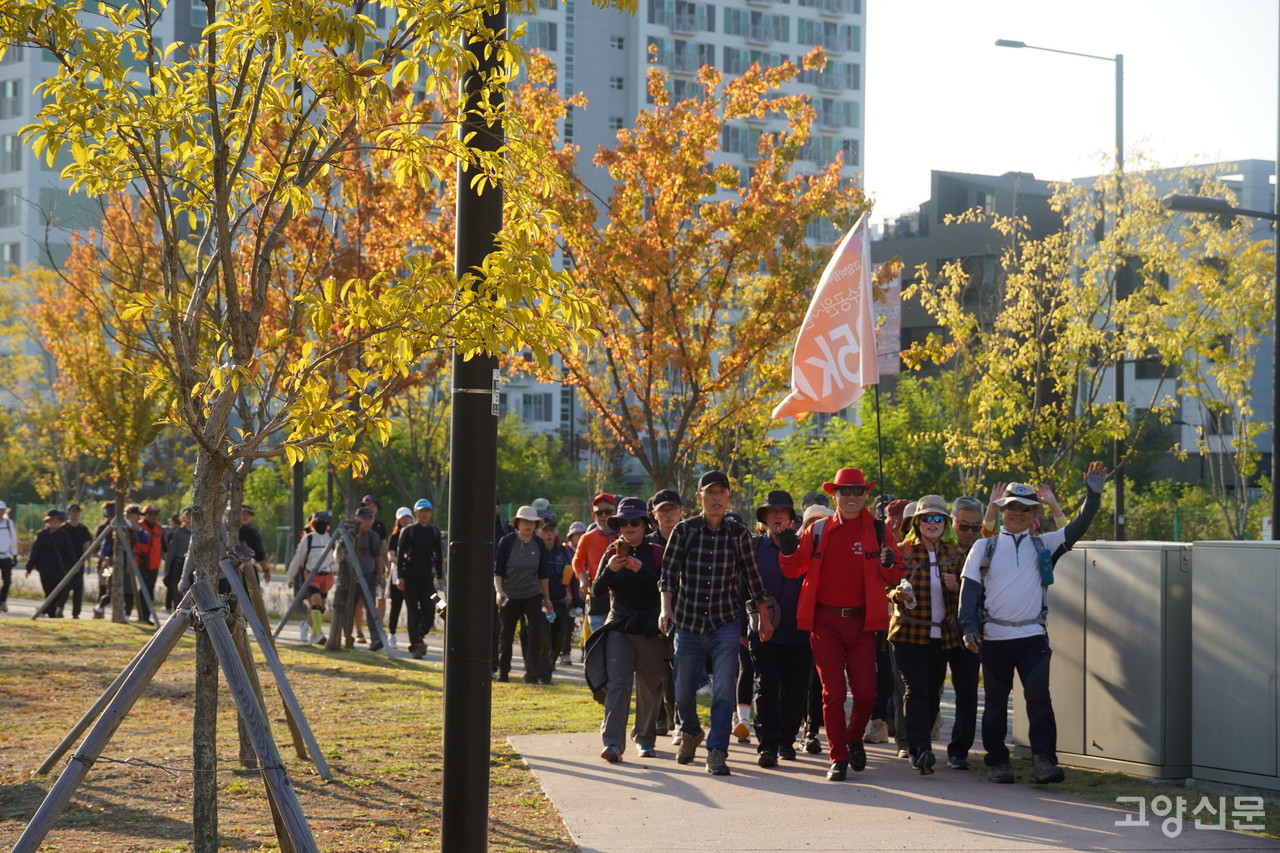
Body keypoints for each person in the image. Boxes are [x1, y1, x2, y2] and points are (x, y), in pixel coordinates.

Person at [958, 463, 1107, 785]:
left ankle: (1043, 761)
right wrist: (968, 627)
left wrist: (1092, 496)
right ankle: (997, 761)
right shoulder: (984, 546)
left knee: (1039, 699)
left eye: (1026, 508)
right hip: (994, 639)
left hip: (1032, 637)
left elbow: (1078, 527)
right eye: (1012, 506)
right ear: (1001, 510)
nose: (1018, 513)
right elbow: (969, 590)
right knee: (996, 704)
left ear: (1033, 513)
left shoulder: (1045, 544)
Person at [778, 467, 904, 782]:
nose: (851, 497)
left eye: (857, 491)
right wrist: (785, 549)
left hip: (863, 624)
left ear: (865, 495)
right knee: (832, 692)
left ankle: (852, 737)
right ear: (834, 495)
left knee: (867, 694)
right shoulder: (818, 530)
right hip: (825, 623)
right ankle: (839, 757)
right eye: (844, 491)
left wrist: (889, 564)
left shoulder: (879, 531)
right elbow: (794, 570)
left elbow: (895, 573)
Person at [659, 470, 773, 777]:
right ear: (700, 498)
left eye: (722, 493)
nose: (716, 499)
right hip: (688, 622)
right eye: (710, 493)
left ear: (728, 498)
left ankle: (717, 751)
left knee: (723, 691)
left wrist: (763, 616)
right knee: (683, 693)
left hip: (725, 623)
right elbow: (668, 574)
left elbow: (753, 579)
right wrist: (665, 609)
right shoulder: (684, 531)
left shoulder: (738, 534)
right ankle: (691, 732)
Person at [586, 497, 666, 762]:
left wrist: (642, 570)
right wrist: (609, 571)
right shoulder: (611, 553)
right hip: (618, 625)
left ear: (645, 524)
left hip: (650, 629)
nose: (629, 527)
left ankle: (645, 739)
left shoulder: (655, 553)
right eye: (623, 523)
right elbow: (596, 591)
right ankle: (612, 744)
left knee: (650, 686)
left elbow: (665, 589)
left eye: (634, 522)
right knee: (618, 684)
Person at [888, 494, 962, 776]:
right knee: (915, 689)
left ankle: (921, 744)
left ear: (946, 524)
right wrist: (897, 594)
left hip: (940, 636)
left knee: (932, 692)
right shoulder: (902, 551)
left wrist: (957, 586)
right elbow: (886, 586)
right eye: (926, 518)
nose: (933, 523)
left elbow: (968, 596)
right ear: (917, 522)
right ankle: (919, 749)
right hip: (908, 632)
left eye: (938, 518)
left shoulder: (953, 554)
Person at [749, 489, 810, 767]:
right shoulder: (753, 546)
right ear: (763, 519)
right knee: (766, 686)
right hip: (764, 628)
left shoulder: (805, 546)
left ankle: (787, 740)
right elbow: (741, 586)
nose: (776, 516)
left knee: (795, 690)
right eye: (771, 513)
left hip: (799, 631)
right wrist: (743, 627)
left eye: (782, 512)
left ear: (792, 520)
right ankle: (767, 745)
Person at [944, 495, 984, 770]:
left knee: (968, 693)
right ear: (952, 522)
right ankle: (916, 745)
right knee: (924, 691)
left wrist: (959, 588)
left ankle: (959, 751)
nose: (969, 533)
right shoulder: (936, 547)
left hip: (968, 633)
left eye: (975, 527)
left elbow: (992, 594)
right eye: (963, 526)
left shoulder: (985, 551)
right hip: (935, 631)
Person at [494, 505, 554, 683]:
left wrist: (546, 599)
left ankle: (532, 673)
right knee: (506, 634)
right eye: (525, 522)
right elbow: (498, 571)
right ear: (517, 523)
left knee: (536, 632)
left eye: (532, 523)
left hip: (532, 594)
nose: (528, 526)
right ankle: (503, 672)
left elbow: (543, 574)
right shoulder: (507, 542)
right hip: (509, 594)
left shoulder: (539, 544)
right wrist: (499, 592)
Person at [647, 488, 683, 737]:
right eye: (663, 510)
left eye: (672, 509)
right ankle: (658, 715)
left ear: (681, 511)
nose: (668, 514)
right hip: (652, 611)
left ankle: (675, 714)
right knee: (654, 666)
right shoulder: (648, 543)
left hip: (684, 611)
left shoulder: (690, 537)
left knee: (678, 666)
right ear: (654, 514)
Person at [397, 498, 445, 659]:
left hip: (427, 578)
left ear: (430, 513)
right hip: (409, 577)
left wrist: (440, 576)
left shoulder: (434, 531)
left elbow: (439, 556)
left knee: (432, 609)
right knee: (413, 611)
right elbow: (400, 557)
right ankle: (416, 645)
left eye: (427, 511)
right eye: (421, 511)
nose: (424, 514)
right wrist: (400, 577)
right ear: (415, 512)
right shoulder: (408, 531)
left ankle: (419, 635)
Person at [286, 511, 335, 644]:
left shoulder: (331, 538)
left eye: (324, 522)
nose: (322, 525)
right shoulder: (308, 539)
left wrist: (334, 569)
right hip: (311, 575)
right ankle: (317, 633)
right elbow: (298, 558)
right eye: (318, 522)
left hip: (326, 576)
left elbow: (334, 559)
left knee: (320, 607)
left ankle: (306, 625)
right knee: (316, 602)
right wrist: (291, 576)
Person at [573, 493, 617, 633]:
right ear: (594, 516)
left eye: (608, 511)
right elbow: (577, 560)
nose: (603, 516)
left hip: (621, 596)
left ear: (616, 513)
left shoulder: (624, 535)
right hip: (597, 594)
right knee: (597, 640)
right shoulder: (587, 538)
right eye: (599, 512)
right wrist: (582, 579)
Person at [26, 509, 78, 617]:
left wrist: (75, 565)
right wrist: (29, 567)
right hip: (45, 568)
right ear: (47, 522)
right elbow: (35, 551)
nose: (54, 523)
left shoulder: (64, 535)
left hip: (60, 568)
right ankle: (51, 615)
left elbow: (70, 551)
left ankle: (54, 609)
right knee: (49, 592)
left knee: (64, 589)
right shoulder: (42, 535)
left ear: (60, 522)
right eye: (52, 521)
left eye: (57, 520)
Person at [349, 506, 386, 650]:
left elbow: (378, 556)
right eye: (365, 519)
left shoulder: (373, 536)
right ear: (357, 519)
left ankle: (376, 639)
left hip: (369, 577)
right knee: (349, 609)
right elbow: (338, 553)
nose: (368, 522)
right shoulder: (350, 534)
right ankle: (347, 637)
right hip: (352, 579)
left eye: (370, 519)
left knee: (371, 608)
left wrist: (380, 576)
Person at [539, 520, 573, 672]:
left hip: (559, 602)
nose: (548, 534)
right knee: (543, 639)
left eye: (551, 531)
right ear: (539, 533)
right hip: (539, 603)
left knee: (558, 640)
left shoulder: (564, 552)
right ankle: (541, 669)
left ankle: (549, 665)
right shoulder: (536, 551)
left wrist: (576, 598)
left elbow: (571, 575)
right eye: (545, 531)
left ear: (556, 534)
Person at [385, 507, 413, 649]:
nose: (405, 520)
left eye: (407, 517)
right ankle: (392, 633)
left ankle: (413, 637)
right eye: (403, 518)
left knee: (412, 607)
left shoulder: (415, 534)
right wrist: (400, 561)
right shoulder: (394, 537)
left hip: (411, 575)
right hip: (397, 574)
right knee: (396, 606)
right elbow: (390, 555)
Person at [137, 504, 166, 625]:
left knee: (150, 589)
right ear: (145, 514)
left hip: (154, 564)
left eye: (155, 514)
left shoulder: (159, 528)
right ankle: (142, 615)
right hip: (141, 563)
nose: (153, 516)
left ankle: (146, 615)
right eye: (150, 514)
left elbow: (164, 547)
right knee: (143, 589)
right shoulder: (138, 526)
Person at [63, 504, 92, 618]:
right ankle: (59, 607)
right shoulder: (64, 528)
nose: (75, 514)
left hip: (79, 562)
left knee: (78, 588)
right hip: (65, 563)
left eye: (77, 512)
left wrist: (89, 564)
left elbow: (87, 546)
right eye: (73, 512)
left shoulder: (83, 529)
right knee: (65, 586)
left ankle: (76, 613)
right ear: (68, 513)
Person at [164, 508, 193, 613]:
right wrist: (167, 569)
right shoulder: (178, 532)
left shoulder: (197, 532)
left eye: (191, 515)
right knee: (177, 588)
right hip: (178, 563)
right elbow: (171, 551)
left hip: (192, 565)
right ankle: (178, 612)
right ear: (182, 517)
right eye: (187, 515)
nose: (189, 517)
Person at [238, 504, 269, 583]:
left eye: (248, 514)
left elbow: (258, 553)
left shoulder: (251, 530)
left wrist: (265, 569)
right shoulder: (250, 531)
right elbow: (258, 553)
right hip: (244, 569)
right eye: (243, 514)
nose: (245, 517)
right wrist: (266, 570)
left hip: (244, 567)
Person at [0, 500, 16, 613]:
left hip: (6, 556)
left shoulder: (9, 523)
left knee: (7, 581)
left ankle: (3, 600)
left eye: (2, 510)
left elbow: (13, 539)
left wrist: (14, 554)